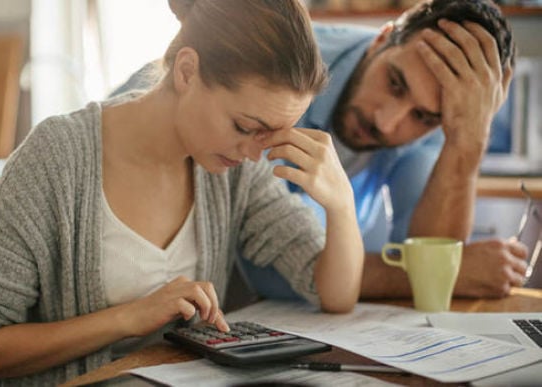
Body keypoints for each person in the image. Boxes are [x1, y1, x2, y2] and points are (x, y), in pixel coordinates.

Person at [0, 0, 364, 385]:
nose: (255, 154)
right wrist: (126, 318)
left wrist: (340, 204)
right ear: (186, 71)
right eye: (245, 127)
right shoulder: (57, 157)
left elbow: (334, 294)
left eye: (270, 135)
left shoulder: (231, 170)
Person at [114, 0, 527, 302]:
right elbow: (279, 274)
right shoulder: (283, 79)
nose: (388, 122)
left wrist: (467, 141)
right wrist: (449, 275)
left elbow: (429, 272)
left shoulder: (441, 116)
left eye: (422, 117)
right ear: (382, 38)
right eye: (394, 83)